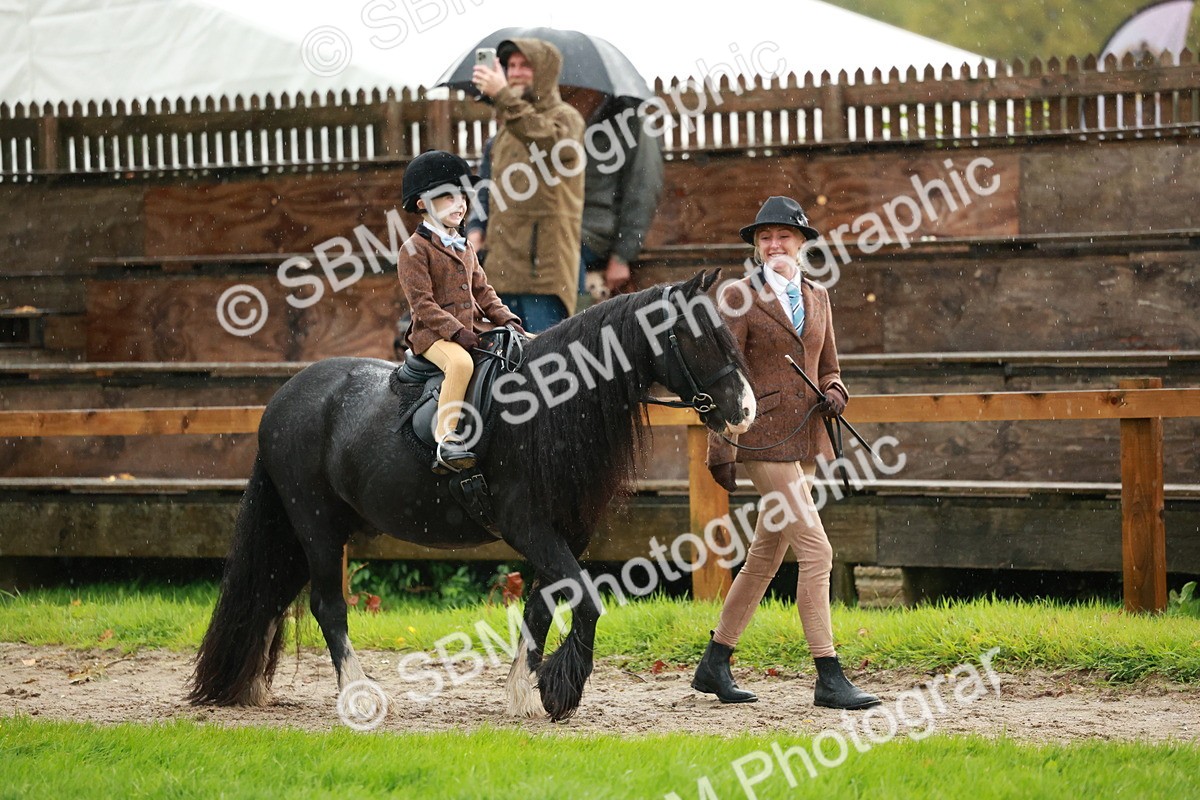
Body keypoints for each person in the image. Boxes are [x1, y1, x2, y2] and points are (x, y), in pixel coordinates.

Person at [692, 196, 881, 710]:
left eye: (784, 237)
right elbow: (721, 378)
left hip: (805, 441)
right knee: (817, 551)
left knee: (765, 557)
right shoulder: (736, 295)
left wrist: (837, 392)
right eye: (765, 238)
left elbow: (831, 367)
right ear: (757, 246)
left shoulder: (818, 295)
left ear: (801, 243)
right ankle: (828, 673)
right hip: (760, 438)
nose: (774, 245)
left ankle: (715, 662)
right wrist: (721, 447)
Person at [395, 149, 523, 474]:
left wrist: (506, 319)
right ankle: (447, 439)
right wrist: (456, 332)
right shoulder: (413, 250)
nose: (460, 204)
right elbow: (422, 305)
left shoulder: (463, 245)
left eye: (462, 196)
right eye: (447, 197)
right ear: (422, 203)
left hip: (469, 331)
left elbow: (484, 290)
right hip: (433, 336)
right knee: (461, 363)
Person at [468, 38, 585, 333]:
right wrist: (476, 228)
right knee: (501, 367)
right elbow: (486, 186)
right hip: (499, 273)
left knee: (546, 369)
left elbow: (549, 142)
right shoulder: (505, 131)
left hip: (543, 277)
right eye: (511, 66)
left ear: (544, 72)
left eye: (525, 66)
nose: (515, 73)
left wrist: (503, 96)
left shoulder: (566, 119)